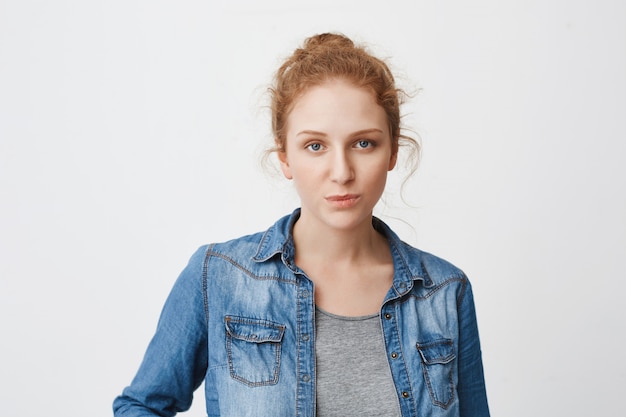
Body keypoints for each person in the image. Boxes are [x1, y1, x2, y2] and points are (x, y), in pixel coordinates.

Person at [113, 33, 490, 417]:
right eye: (315, 146)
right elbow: (141, 406)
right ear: (284, 156)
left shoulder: (445, 292)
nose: (341, 173)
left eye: (364, 144)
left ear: (392, 150)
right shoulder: (220, 276)